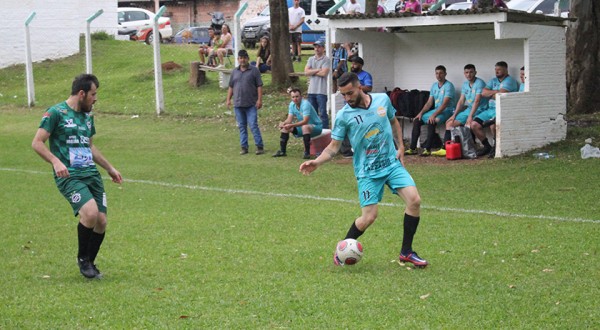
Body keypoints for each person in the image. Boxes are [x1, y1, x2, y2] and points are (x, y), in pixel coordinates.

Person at [299, 72, 428, 268]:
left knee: (414, 200)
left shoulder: (382, 100)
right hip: (367, 172)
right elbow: (333, 147)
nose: (347, 98)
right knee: (368, 217)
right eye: (343, 95)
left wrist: (401, 146)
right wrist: (317, 162)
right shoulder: (344, 116)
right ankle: (342, 250)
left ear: (360, 87)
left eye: (350, 93)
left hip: (391, 164)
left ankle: (406, 252)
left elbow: (393, 121)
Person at [31, 74, 123, 279]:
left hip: (91, 174)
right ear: (81, 94)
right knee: (89, 214)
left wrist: (110, 168)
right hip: (70, 176)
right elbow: (37, 143)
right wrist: (55, 161)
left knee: (101, 221)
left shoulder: (88, 117)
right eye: (93, 94)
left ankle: (90, 260)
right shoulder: (55, 113)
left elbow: (89, 146)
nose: (95, 98)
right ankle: (83, 260)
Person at [406, 65, 456, 156]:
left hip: (448, 111)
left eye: (441, 73)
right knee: (417, 120)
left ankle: (427, 149)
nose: (439, 75)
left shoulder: (449, 86)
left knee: (431, 120)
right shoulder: (434, 85)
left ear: (445, 74)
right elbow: (429, 103)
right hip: (437, 110)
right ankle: (412, 148)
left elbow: (445, 104)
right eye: (437, 73)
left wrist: (433, 115)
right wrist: (420, 113)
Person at [472, 61, 518, 158]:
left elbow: (499, 96)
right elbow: (483, 92)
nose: (496, 71)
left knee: (493, 125)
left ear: (506, 70)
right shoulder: (493, 80)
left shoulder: (510, 81)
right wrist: (495, 93)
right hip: (490, 110)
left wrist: (492, 94)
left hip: (502, 110)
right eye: (495, 69)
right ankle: (487, 146)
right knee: (474, 124)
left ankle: (496, 147)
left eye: (499, 69)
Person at [441, 64, 489, 151]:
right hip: (470, 109)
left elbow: (477, 101)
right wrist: (454, 115)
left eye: (471, 72)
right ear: (464, 73)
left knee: (469, 124)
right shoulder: (465, 84)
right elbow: (461, 101)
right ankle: (446, 149)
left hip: (481, 109)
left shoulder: (480, 83)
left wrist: (470, 116)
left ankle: (474, 147)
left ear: (475, 72)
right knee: (449, 123)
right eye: (466, 72)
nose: (469, 74)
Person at [226, 50, 265, 155]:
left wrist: (259, 100)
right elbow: (231, 86)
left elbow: (259, 86)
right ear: (238, 59)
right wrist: (228, 99)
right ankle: (244, 147)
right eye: (240, 58)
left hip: (251, 104)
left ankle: (259, 146)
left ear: (247, 58)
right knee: (242, 126)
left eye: (244, 58)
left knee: (253, 125)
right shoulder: (234, 71)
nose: (242, 60)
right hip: (238, 104)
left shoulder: (254, 71)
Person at [273, 88, 323, 159]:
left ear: (301, 96)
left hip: (316, 127)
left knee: (305, 127)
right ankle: (282, 151)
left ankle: (307, 153)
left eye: (297, 96)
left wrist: (292, 125)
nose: (295, 99)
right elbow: (289, 119)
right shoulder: (291, 105)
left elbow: (305, 121)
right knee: (285, 127)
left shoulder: (305, 104)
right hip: (303, 127)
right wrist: (283, 123)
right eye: (293, 97)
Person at [305, 39, 331, 129]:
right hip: (311, 90)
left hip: (321, 91)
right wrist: (317, 69)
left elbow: (324, 73)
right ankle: (315, 130)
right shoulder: (311, 59)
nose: (317, 49)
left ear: (323, 48)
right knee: (312, 112)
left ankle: (325, 130)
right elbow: (306, 72)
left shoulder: (326, 60)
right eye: (315, 47)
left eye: (319, 47)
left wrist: (311, 71)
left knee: (323, 113)